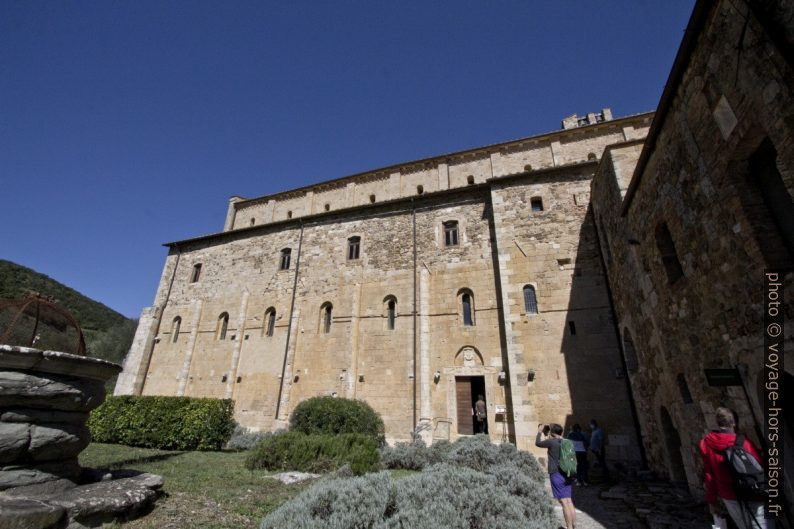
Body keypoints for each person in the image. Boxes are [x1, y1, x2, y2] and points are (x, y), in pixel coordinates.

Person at [699, 407, 766, 529]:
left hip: (729, 494)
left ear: (718, 423)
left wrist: (712, 500)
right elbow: (759, 465)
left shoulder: (706, 444)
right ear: (733, 423)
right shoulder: (743, 441)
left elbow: (709, 476)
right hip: (752, 489)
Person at [537, 423, 576, 529]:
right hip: (567, 473)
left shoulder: (552, 442)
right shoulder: (566, 441)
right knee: (569, 500)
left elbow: (538, 443)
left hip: (556, 473)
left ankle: (569, 527)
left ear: (552, 433)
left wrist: (540, 431)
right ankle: (573, 525)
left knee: (563, 503)